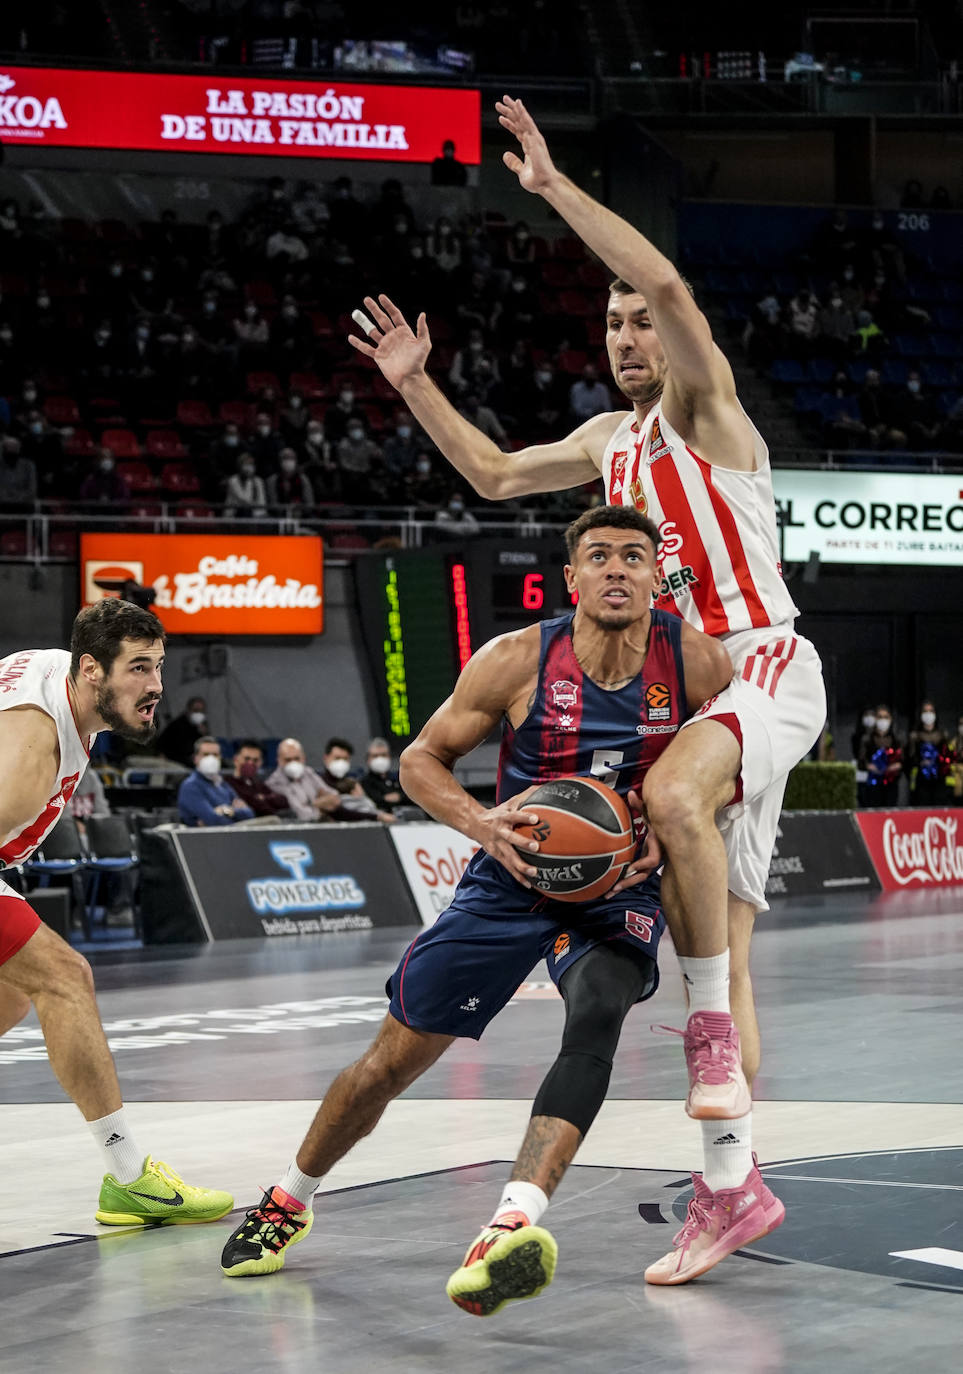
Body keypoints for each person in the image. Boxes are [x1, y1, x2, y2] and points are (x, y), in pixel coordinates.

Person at [345, 95, 826, 1284]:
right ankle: (734, 1186)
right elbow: (499, 473)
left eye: (638, 321)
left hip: (758, 661)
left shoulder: (708, 415)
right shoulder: (609, 443)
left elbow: (667, 282)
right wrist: (413, 383)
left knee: (667, 796)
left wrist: (555, 188)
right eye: (609, 323)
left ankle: (704, 1035)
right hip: (702, 696)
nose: (626, 333)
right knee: (733, 945)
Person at [219, 507, 744, 1307]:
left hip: (617, 890)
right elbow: (421, 758)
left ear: (652, 576)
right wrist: (479, 823)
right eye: (597, 556)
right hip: (510, 876)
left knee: (597, 1011)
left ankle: (509, 1223)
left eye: (632, 557)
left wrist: (675, 830)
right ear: (571, 578)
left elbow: (738, 768)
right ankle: (289, 1197)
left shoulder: (697, 662)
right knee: (393, 1059)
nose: (615, 569)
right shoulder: (516, 658)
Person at [0, 600, 232, 1223]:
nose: (156, 686)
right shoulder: (30, 755)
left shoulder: (59, 676)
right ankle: (129, 1177)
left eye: (158, 666)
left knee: (11, 997)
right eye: (138, 668)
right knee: (62, 977)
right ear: (92, 670)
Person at [177, 737, 255, 827]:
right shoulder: (190, 786)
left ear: (220, 758)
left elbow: (249, 814)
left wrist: (226, 811)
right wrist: (235, 815)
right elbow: (214, 821)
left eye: (215, 755)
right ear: (195, 758)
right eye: (206, 754)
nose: (211, 758)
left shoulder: (222, 784)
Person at [265, 737, 342, 821]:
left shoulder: (308, 772)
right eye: (288, 760)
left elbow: (335, 797)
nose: (293, 763)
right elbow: (301, 814)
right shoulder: (274, 783)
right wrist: (321, 804)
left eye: (296, 758)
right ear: (279, 761)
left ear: (303, 758)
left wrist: (311, 804)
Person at [225, 739, 290, 818]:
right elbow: (259, 809)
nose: (250, 763)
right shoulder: (228, 783)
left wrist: (264, 798)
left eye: (255, 760)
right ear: (236, 760)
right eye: (247, 759)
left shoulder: (257, 783)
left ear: (260, 763)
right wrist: (262, 800)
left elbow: (283, 801)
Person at [858, 706, 902, 807]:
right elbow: (861, 762)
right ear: (876, 719)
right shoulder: (867, 739)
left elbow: (903, 761)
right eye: (880, 717)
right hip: (873, 785)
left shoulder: (896, 739)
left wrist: (896, 766)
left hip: (891, 784)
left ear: (890, 719)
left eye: (885, 717)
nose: (883, 720)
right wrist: (870, 766)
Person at [906, 702, 948, 807]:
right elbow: (909, 759)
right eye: (925, 711)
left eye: (931, 711)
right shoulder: (914, 736)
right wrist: (920, 763)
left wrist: (938, 762)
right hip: (921, 780)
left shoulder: (943, 735)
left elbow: (947, 757)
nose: (928, 714)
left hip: (939, 779)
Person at [157, 695, 209, 768]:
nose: (199, 714)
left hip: (191, 760)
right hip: (175, 760)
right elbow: (163, 745)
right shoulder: (177, 725)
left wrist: (204, 734)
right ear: (188, 710)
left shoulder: (201, 726)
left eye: (201, 711)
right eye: (196, 710)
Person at [360, 738, 405, 813]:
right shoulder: (364, 782)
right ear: (368, 759)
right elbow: (372, 802)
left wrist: (400, 797)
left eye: (384, 755)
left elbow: (411, 797)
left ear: (389, 757)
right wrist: (385, 799)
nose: (380, 759)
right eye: (375, 756)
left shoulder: (400, 778)